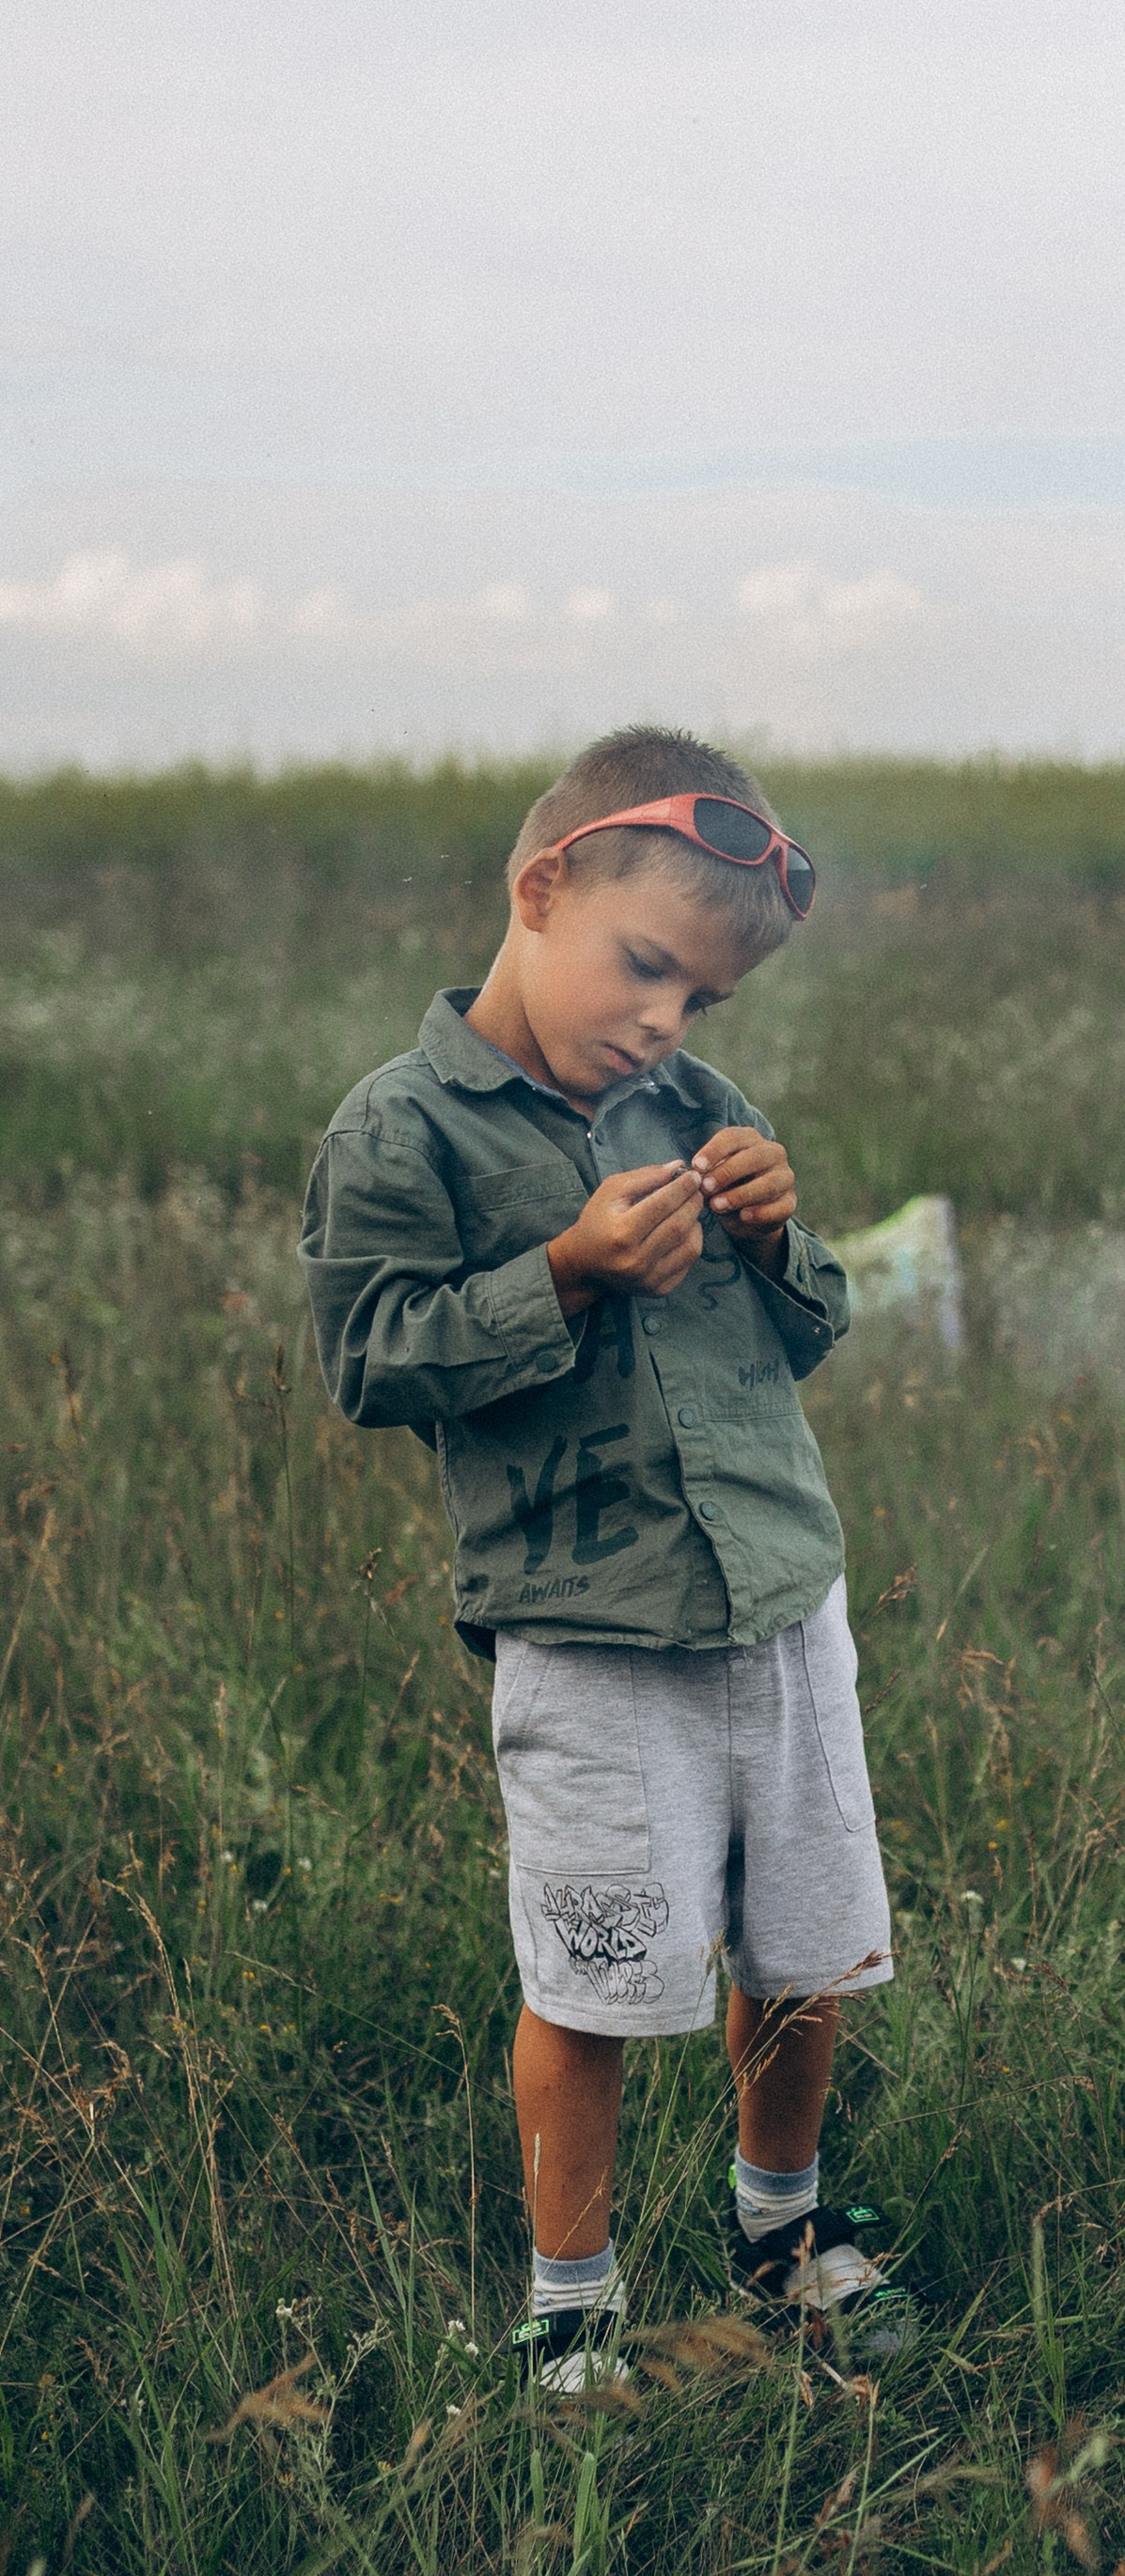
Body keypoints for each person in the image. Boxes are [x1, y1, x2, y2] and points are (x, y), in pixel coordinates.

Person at [300, 726, 907, 2387]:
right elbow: (370, 1359)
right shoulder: (404, 1130)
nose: (664, 1021)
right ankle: (574, 2306)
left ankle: (776, 2228)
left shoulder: (700, 1108)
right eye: (646, 968)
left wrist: (788, 1247)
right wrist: (560, 1272)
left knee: (804, 1952)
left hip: (778, 1605)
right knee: (595, 1978)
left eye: (702, 1001)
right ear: (541, 888)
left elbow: (805, 1337)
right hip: (585, 1627)